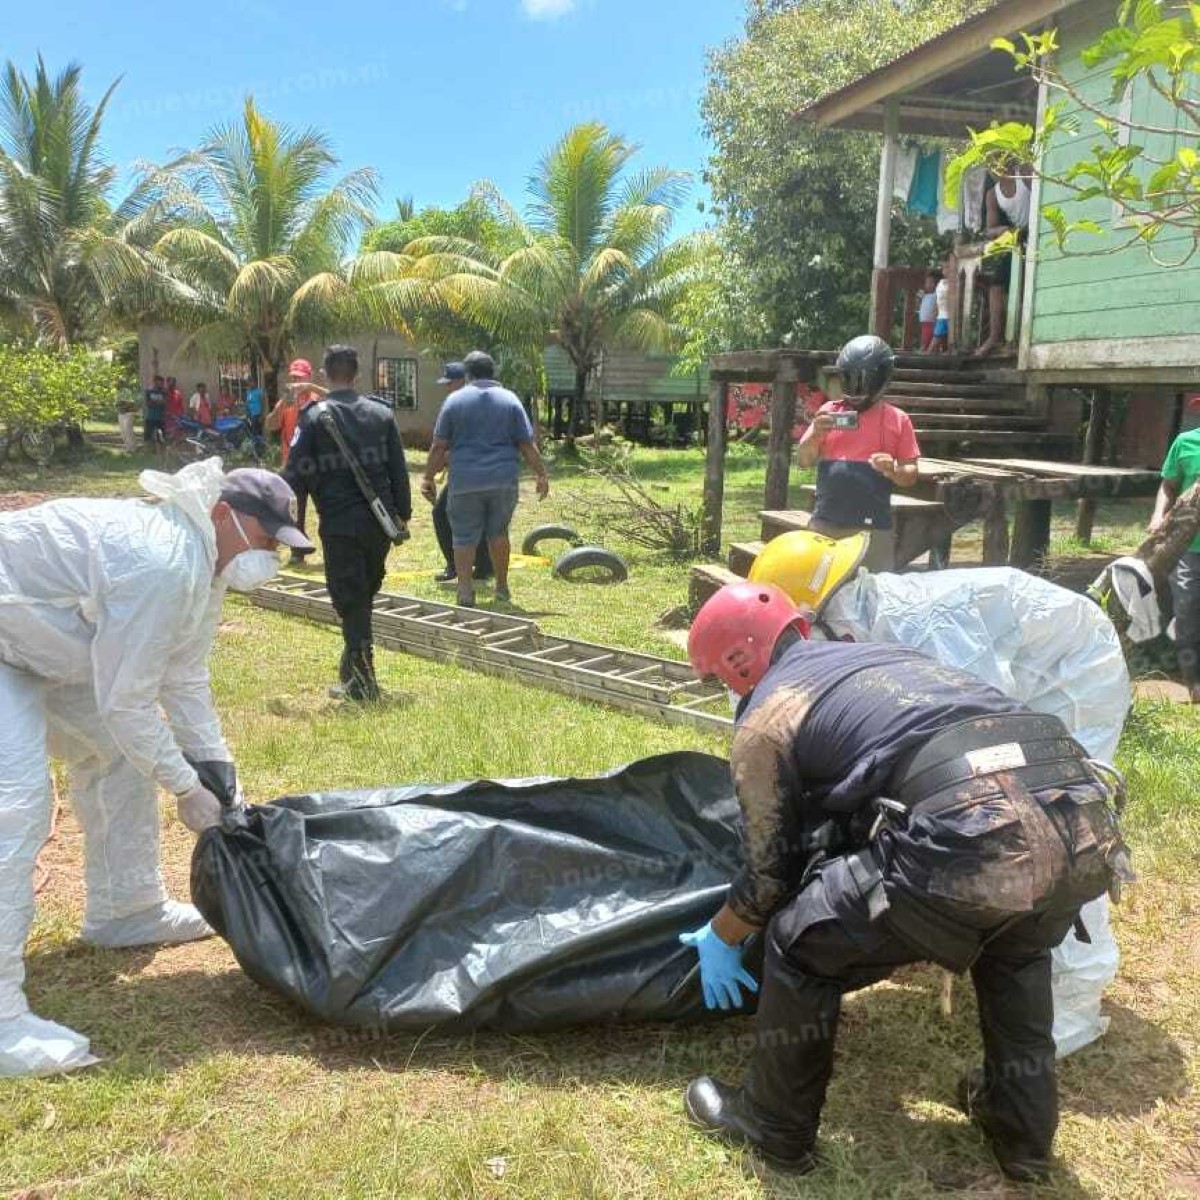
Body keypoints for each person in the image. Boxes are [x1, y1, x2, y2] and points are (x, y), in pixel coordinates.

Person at [680, 582, 1129, 1180]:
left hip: (975, 827)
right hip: (1081, 815)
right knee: (1015, 952)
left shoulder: (768, 714)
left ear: (739, 661)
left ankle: (773, 1126)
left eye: (719, 677)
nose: (725, 690)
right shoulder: (882, 658)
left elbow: (770, 873)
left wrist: (722, 934)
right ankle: (1021, 1136)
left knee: (799, 940)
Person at [750, 528, 1131, 1056]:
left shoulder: (917, 626)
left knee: (1060, 817)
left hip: (1073, 670)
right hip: (1031, 661)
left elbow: (967, 727)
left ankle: (1071, 1005)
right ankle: (996, 934)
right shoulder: (865, 622)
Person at [0, 460, 311, 1077]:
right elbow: (129, 700)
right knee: (18, 803)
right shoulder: (164, 561)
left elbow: (184, 676)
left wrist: (217, 766)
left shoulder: (204, 570)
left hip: (47, 645)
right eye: (269, 535)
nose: (272, 552)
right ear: (223, 514)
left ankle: (126, 907)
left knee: (116, 754)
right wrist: (185, 786)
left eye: (281, 542)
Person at [284, 344, 411, 702]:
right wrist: (403, 514)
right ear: (357, 375)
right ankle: (354, 669)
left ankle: (363, 681)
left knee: (351, 599)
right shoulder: (381, 414)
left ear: (323, 374)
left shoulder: (312, 416)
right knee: (362, 594)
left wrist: (281, 518)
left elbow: (294, 474)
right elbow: (398, 471)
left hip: (339, 524)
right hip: (379, 524)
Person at [420, 351, 550, 608]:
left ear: (467, 374)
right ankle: (501, 587)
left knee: (463, 537)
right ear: (493, 372)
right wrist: (541, 474)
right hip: (503, 480)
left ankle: (465, 591)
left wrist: (428, 477)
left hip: (465, 481)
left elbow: (439, 446)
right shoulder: (510, 400)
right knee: (498, 533)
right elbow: (526, 443)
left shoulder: (455, 401)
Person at [795, 335, 920, 571]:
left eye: (861, 380)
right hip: (825, 526)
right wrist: (814, 436)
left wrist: (893, 470)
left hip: (872, 533)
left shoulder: (897, 419)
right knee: (819, 596)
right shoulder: (829, 412)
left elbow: (910, 474)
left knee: (873, 596)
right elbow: (803, 460)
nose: (855, 388)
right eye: (849, 379)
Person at [429, 362, 492, 585]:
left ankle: (455, 565)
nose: (447, 388)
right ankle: (484, 566)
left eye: (449, 383)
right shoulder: (475, 403)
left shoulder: (459, 405)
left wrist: (441, 463)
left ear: (461, 381)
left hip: (470, 471)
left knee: (441, 514)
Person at [1150, 420, 1200, 702]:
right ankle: (1192, 680)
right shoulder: (1186, 442)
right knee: (1188, 609)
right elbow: (1168, 485)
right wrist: (1159, 515)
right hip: (1188, 545)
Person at [268, 359, 326, 564]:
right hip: (293, 467)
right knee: (295, 512)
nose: (296, 381)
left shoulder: (318, 400)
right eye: (293, 377)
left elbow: (340, 399)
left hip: (318, 467)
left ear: (308, 378)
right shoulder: (287, 403)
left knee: (325, 510)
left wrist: (311, 388)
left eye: (300, 378)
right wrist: (283, 403)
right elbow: (271, 425)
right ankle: (297, 552)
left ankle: (330, 548)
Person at [974, 160, 1032, 359]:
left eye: (995, 163)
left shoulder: (1024, 173)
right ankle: (995, 336)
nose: (992, 169)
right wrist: (1002, 230)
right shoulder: (992, 194)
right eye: (990, 167)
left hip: (1038, 234)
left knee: (1027, 287)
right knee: (996, 284)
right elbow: (989, 229)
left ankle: (1020, 338)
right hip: (1017, 239)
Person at [143, 374, 168, 447]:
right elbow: (148, 404)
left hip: (161, 417)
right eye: (159, 382)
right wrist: (159, 401)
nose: (161, 384)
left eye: (162, 382)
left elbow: (165, 403)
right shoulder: (149, 391)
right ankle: (148, 449)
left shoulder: (164, 392)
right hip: (151, 417)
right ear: (155, 382)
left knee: (161, 436)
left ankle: (160, 450)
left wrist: (155, 401)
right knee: (148, 434)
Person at [918, 270, 939, 352]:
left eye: (931, 282)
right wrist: (919, 297)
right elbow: (918, 305)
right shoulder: (924, 295)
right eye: (927, 283)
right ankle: (925, 349)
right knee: (925, 337)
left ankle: (924, 351)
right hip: (924, 322)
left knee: (928, 338)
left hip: (931, 321)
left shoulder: (936, 294)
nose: (929, 285)